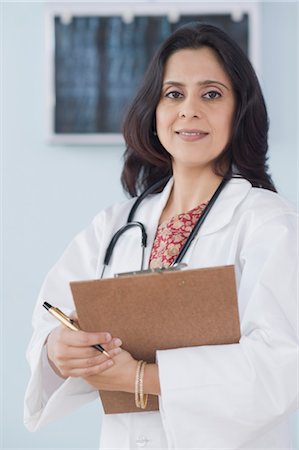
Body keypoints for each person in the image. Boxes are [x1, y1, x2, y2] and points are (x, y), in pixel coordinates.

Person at [24, 22, 298, 449]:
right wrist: (57, 350)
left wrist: (142, 377)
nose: (189, 110)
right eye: (174, 94)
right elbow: (50, 318)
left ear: (239, 110)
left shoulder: (266, 221)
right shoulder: (115, 224)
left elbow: (279, 367)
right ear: (154, 110)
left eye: (211, 94)